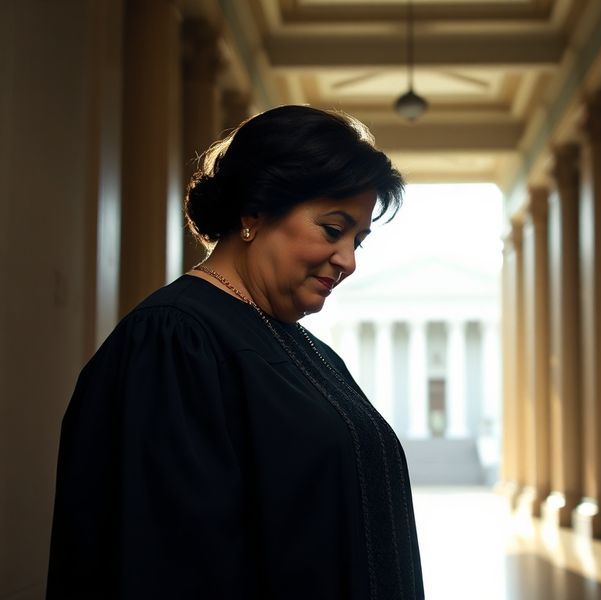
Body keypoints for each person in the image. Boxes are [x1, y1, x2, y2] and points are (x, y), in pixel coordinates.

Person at [47, 105, 425, 599]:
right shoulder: (174, 341)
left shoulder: (309, 351)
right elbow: (167, 563)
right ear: (255, 211)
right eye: (333, 230)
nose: (348, 260)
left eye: (359, 239)